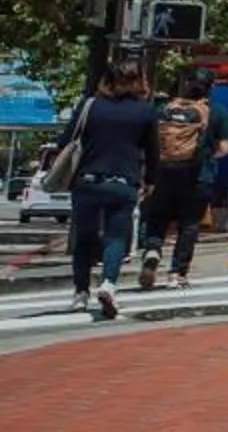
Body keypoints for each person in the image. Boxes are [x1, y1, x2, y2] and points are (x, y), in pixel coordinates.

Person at [64, 60, 161, 320]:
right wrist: (150, 180)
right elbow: (153, 153)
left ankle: (80, 293)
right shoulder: (145, 112)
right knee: (116, 237)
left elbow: (67, 140)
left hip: (86, 180)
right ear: (140, 81)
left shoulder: (90, 106)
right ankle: (108, 284)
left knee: (83, 238)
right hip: (122, 181)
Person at [137, 70, 228, 291]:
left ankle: (152, 251)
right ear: (211, 87)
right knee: (189, 225)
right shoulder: (217, 113)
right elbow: (224, 148)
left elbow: (149, 144)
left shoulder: (164, 109)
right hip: (198, 177)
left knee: (157, 218)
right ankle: (177, 273)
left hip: (163, 175)